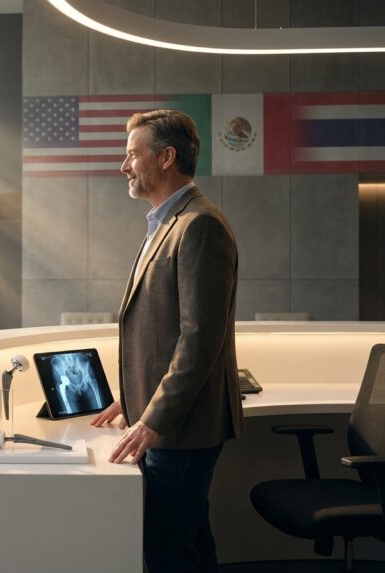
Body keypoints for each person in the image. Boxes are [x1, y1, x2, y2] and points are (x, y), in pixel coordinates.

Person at [91, 110, 244, 572]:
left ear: (166, 158)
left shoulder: (199, 226)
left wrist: (153, 418)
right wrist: (132, 397)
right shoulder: (166, 222)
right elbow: (163, 330)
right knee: (188, 542)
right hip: (170, 423)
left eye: (133, 154)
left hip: (181, 430)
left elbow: (199, 340)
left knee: (167, 554)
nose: (124, 165)